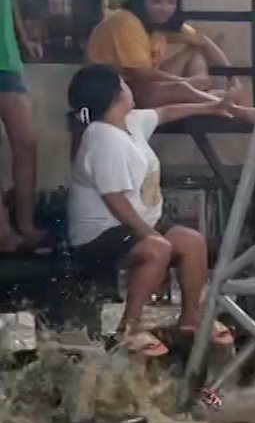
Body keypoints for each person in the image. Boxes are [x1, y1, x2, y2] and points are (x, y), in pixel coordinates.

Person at [66, 65, 236, 357]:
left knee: (191, 241)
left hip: (135, 226)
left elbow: (166, 112)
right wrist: (148, 234)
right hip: (99, 236)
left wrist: (210, 106)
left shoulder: (129, 121)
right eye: (124, 82)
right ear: (117, 94)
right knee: (157, 248)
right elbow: (114, 199)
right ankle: (129, 329)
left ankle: (191, 321)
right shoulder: (102, 137)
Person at [84, 0, 255, 124]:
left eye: (171, 2)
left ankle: (204, 95)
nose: (165, 9)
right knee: (180, 88)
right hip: (114, 92)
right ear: (140, 1)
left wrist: (233, 78)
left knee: (194, 50)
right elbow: (140, 73)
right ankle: (235, 110)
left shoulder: (159, 24)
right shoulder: (126, 22)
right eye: (157, 2)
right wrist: (185, 82)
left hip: (147, 86)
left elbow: (204, 42)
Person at [0, 0, 47, 252]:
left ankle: (27, 224)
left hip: (8, 59)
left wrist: (22, 35)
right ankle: (4, 234)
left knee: (26, 143)